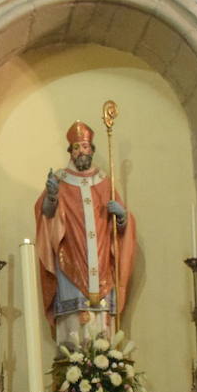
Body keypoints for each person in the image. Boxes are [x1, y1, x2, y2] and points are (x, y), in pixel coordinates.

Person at [33, 120, 137, 332]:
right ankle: (71, 359)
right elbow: (45, 216)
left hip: (101, 264)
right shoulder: (60, 180)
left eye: (85, 146)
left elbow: (122, 228)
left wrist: (122, 217)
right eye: (77, 147)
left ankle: (104, 359)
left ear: (92, 149)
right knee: (74, 325)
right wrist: (52, 195)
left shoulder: (105, 182)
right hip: (69, 260)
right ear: (71, 151)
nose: (82, 151)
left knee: (101, 323)